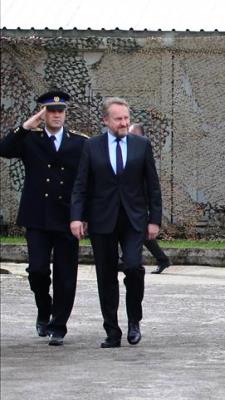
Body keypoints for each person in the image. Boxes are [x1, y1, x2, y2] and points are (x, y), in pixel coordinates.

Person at [70, 97, 162, 348]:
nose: (124, 122)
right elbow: (81, 184)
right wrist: (77, 217)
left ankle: (134, 321)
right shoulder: (92, 146)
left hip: (134, 220)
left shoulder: (141, 145)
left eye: (126, 118)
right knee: (106, 275)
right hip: (102, 220)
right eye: (118, 118)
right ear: (105, 120)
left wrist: (154, 220)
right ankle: (112, 330)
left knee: (133, 267)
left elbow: (152, 186)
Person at [0, 90, 87, 346]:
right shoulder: (30, 140)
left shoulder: (80, 143)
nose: (56, 115)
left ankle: (59, 325)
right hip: (37, 216)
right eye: (51, 111)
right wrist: (27, 125)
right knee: (37, 270)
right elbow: (4, 149)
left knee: (65, 273)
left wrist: (82, 216)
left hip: (66, 217)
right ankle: (43, 307)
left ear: (65, 114)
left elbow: (86, 182)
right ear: (43, 113)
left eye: (60, 111)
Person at [128, 123, 171, 274]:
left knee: (140, 231)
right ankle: (161, 259)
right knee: (139, 231)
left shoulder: (142, 149)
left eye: (131, 133)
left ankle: (161, 259)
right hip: (134, 197)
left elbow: (149, 180)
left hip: (141, 197)